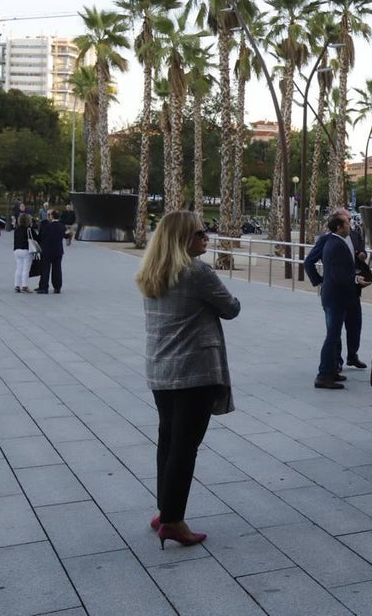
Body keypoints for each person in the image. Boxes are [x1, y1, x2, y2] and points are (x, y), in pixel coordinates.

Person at [136, 210, 240, 548]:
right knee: (185, 447)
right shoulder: (197, 272)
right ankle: (173, 520)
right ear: (183, 239)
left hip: (160, 370)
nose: (206, 236)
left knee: (168, 441)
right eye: (199, 232)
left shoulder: (152, 271)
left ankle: (164, 509)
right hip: (194, 372)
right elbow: (232, 307)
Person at [305, 210, 364, 389]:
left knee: (339, 332)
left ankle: (331, 370)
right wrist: (355, 280)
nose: (350, 225)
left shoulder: (336, 241)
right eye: (347, 222)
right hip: (336, 297)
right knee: (332, 336)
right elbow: (337, 273)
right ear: (339, 227)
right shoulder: (334, 244)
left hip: (343, 296)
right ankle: (324, 374)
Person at [35, 209, 66, 294]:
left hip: (46, 251)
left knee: (45, 269)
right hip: (58, 251)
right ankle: (57, 287)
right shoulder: (62, 226)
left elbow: (40, 237)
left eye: (49, 215)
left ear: (51, 216)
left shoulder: (46, 226)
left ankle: (44, 287)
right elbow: (65, 235)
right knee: (57, 269)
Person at [12, 213, 35, 294]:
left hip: (17, 250)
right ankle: (24, 286)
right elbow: (35, 238)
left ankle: (16, 285)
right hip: (26, 250)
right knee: (26, 269)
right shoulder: (29, 229)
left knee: (18, 268)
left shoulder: (17, 229)